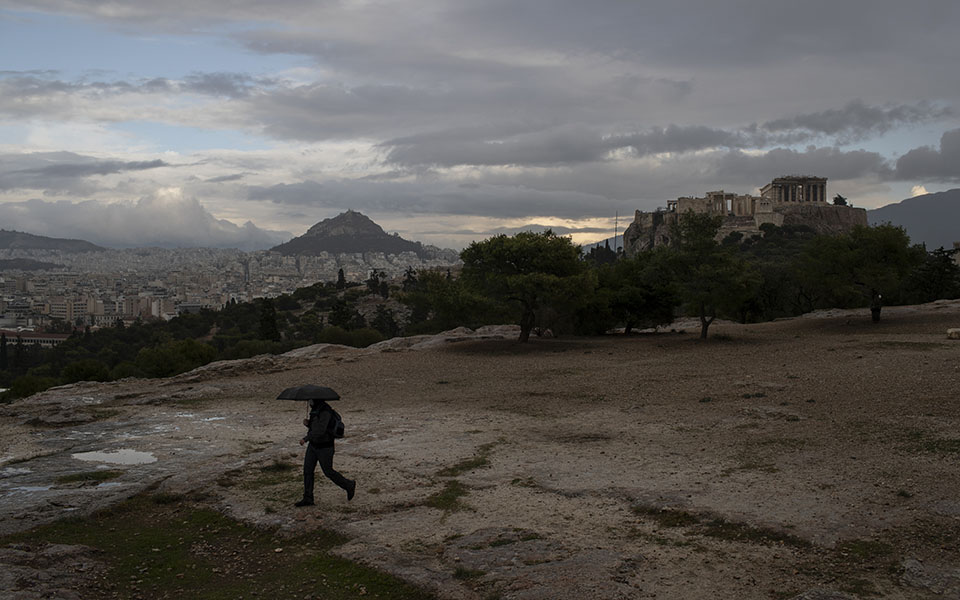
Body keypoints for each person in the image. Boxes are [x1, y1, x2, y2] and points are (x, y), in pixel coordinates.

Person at [295, 398, 356, 507]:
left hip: (324, 447)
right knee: (307, 471)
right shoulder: (316, 410)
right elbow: (316, 427)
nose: (309, 403)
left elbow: (321, 430)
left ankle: (348, 485)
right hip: (314, 445)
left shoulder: (325, 411)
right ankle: (308, 498)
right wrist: (308, 424)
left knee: (328, 471)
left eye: (310, 400)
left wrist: (306, 438)